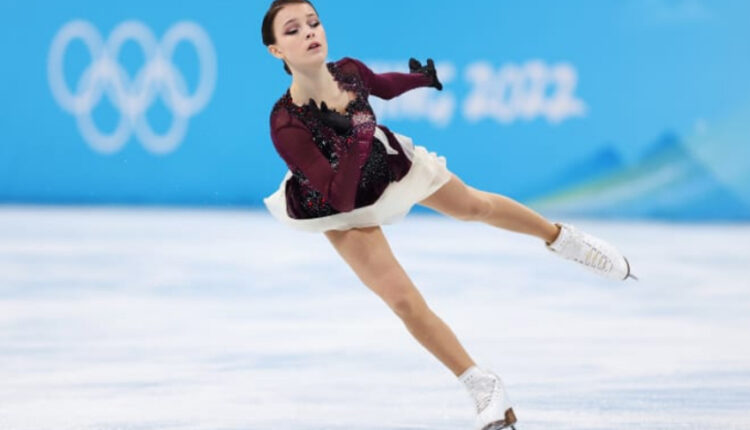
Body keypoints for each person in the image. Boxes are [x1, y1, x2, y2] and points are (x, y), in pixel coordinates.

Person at [261, 1, 637, 429]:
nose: (310, 32)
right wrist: (360, 137)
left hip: (385, 169)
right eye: (293, 30)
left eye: (313, 22)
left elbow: (382, 85)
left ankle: (562, 238)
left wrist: (420, 79)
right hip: (336, 203)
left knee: (474, 206)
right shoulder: (286, 123)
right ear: (277, 51)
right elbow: (342, 198)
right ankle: (481, 384)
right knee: (403, 301)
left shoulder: (348, 71)